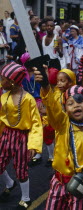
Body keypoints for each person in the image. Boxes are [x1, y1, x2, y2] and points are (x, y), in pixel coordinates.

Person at [34, 66, 83, 210]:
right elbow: (54, 111)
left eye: (80, 102)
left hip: (79, 186)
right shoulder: (63, 124)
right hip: (58, 183)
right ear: (66, 109)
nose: (75, 106)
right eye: (70, 103)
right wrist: (45, 86)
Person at [0, 62, 43, 209]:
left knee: (21, 168)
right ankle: (9, 183)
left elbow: (36, 123)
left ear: (12, 81)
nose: (1, 82)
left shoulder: (27, 99)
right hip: (6, 135)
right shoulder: (4, 96)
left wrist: (34, 145)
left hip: (22, 138)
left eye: (3, 79)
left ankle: (26, 198)